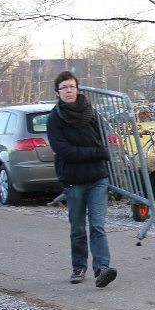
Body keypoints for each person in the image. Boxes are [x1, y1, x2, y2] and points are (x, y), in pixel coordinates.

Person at [47, 71, 117, 288]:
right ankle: (79, 267)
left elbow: (102, 142)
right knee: (78, 227)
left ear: (77, 89)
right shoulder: (54, 118)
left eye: (71, 86)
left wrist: (99, 152)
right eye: (64, 88)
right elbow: (65, 151)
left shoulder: (91, 114)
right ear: (57, 93)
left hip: (97, 178)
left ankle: (102, 270)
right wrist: (97, 153)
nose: (68, 91)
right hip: (72, 179)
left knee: (97, 225)